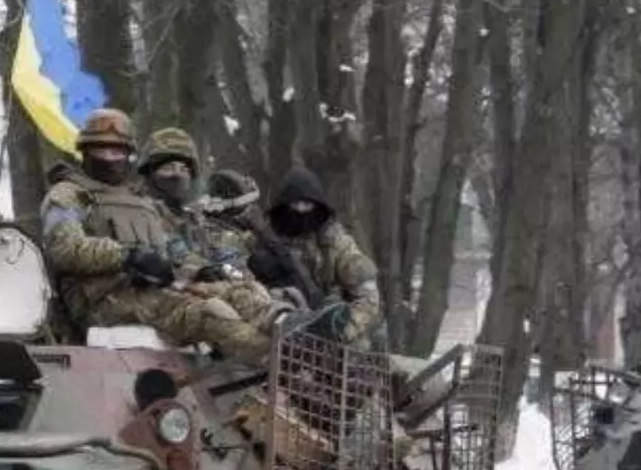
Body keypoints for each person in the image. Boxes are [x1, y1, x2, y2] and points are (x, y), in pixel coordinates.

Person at [38, 108, 326, 364]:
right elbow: (64, 248)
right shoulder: (69, 194)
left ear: (128, 155)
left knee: (239, 291)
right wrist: (126, 256)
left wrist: (199, 271)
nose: (111, 158)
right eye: (102, 151)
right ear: (86, 153)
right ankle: (279, 355)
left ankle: (291, 327)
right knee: (209, 312)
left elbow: (167, 252)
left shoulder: (138, 201)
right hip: (104, 302)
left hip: (149, 292)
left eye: (118, 152)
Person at [253, 166, 384, 349]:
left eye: (307, 205)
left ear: (318, 207)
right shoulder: (264, 236)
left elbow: (368, 296)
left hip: (326, 324)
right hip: (272, 323)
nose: (300, 210)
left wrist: (343, 329)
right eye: (294, 204)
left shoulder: (335, 242)